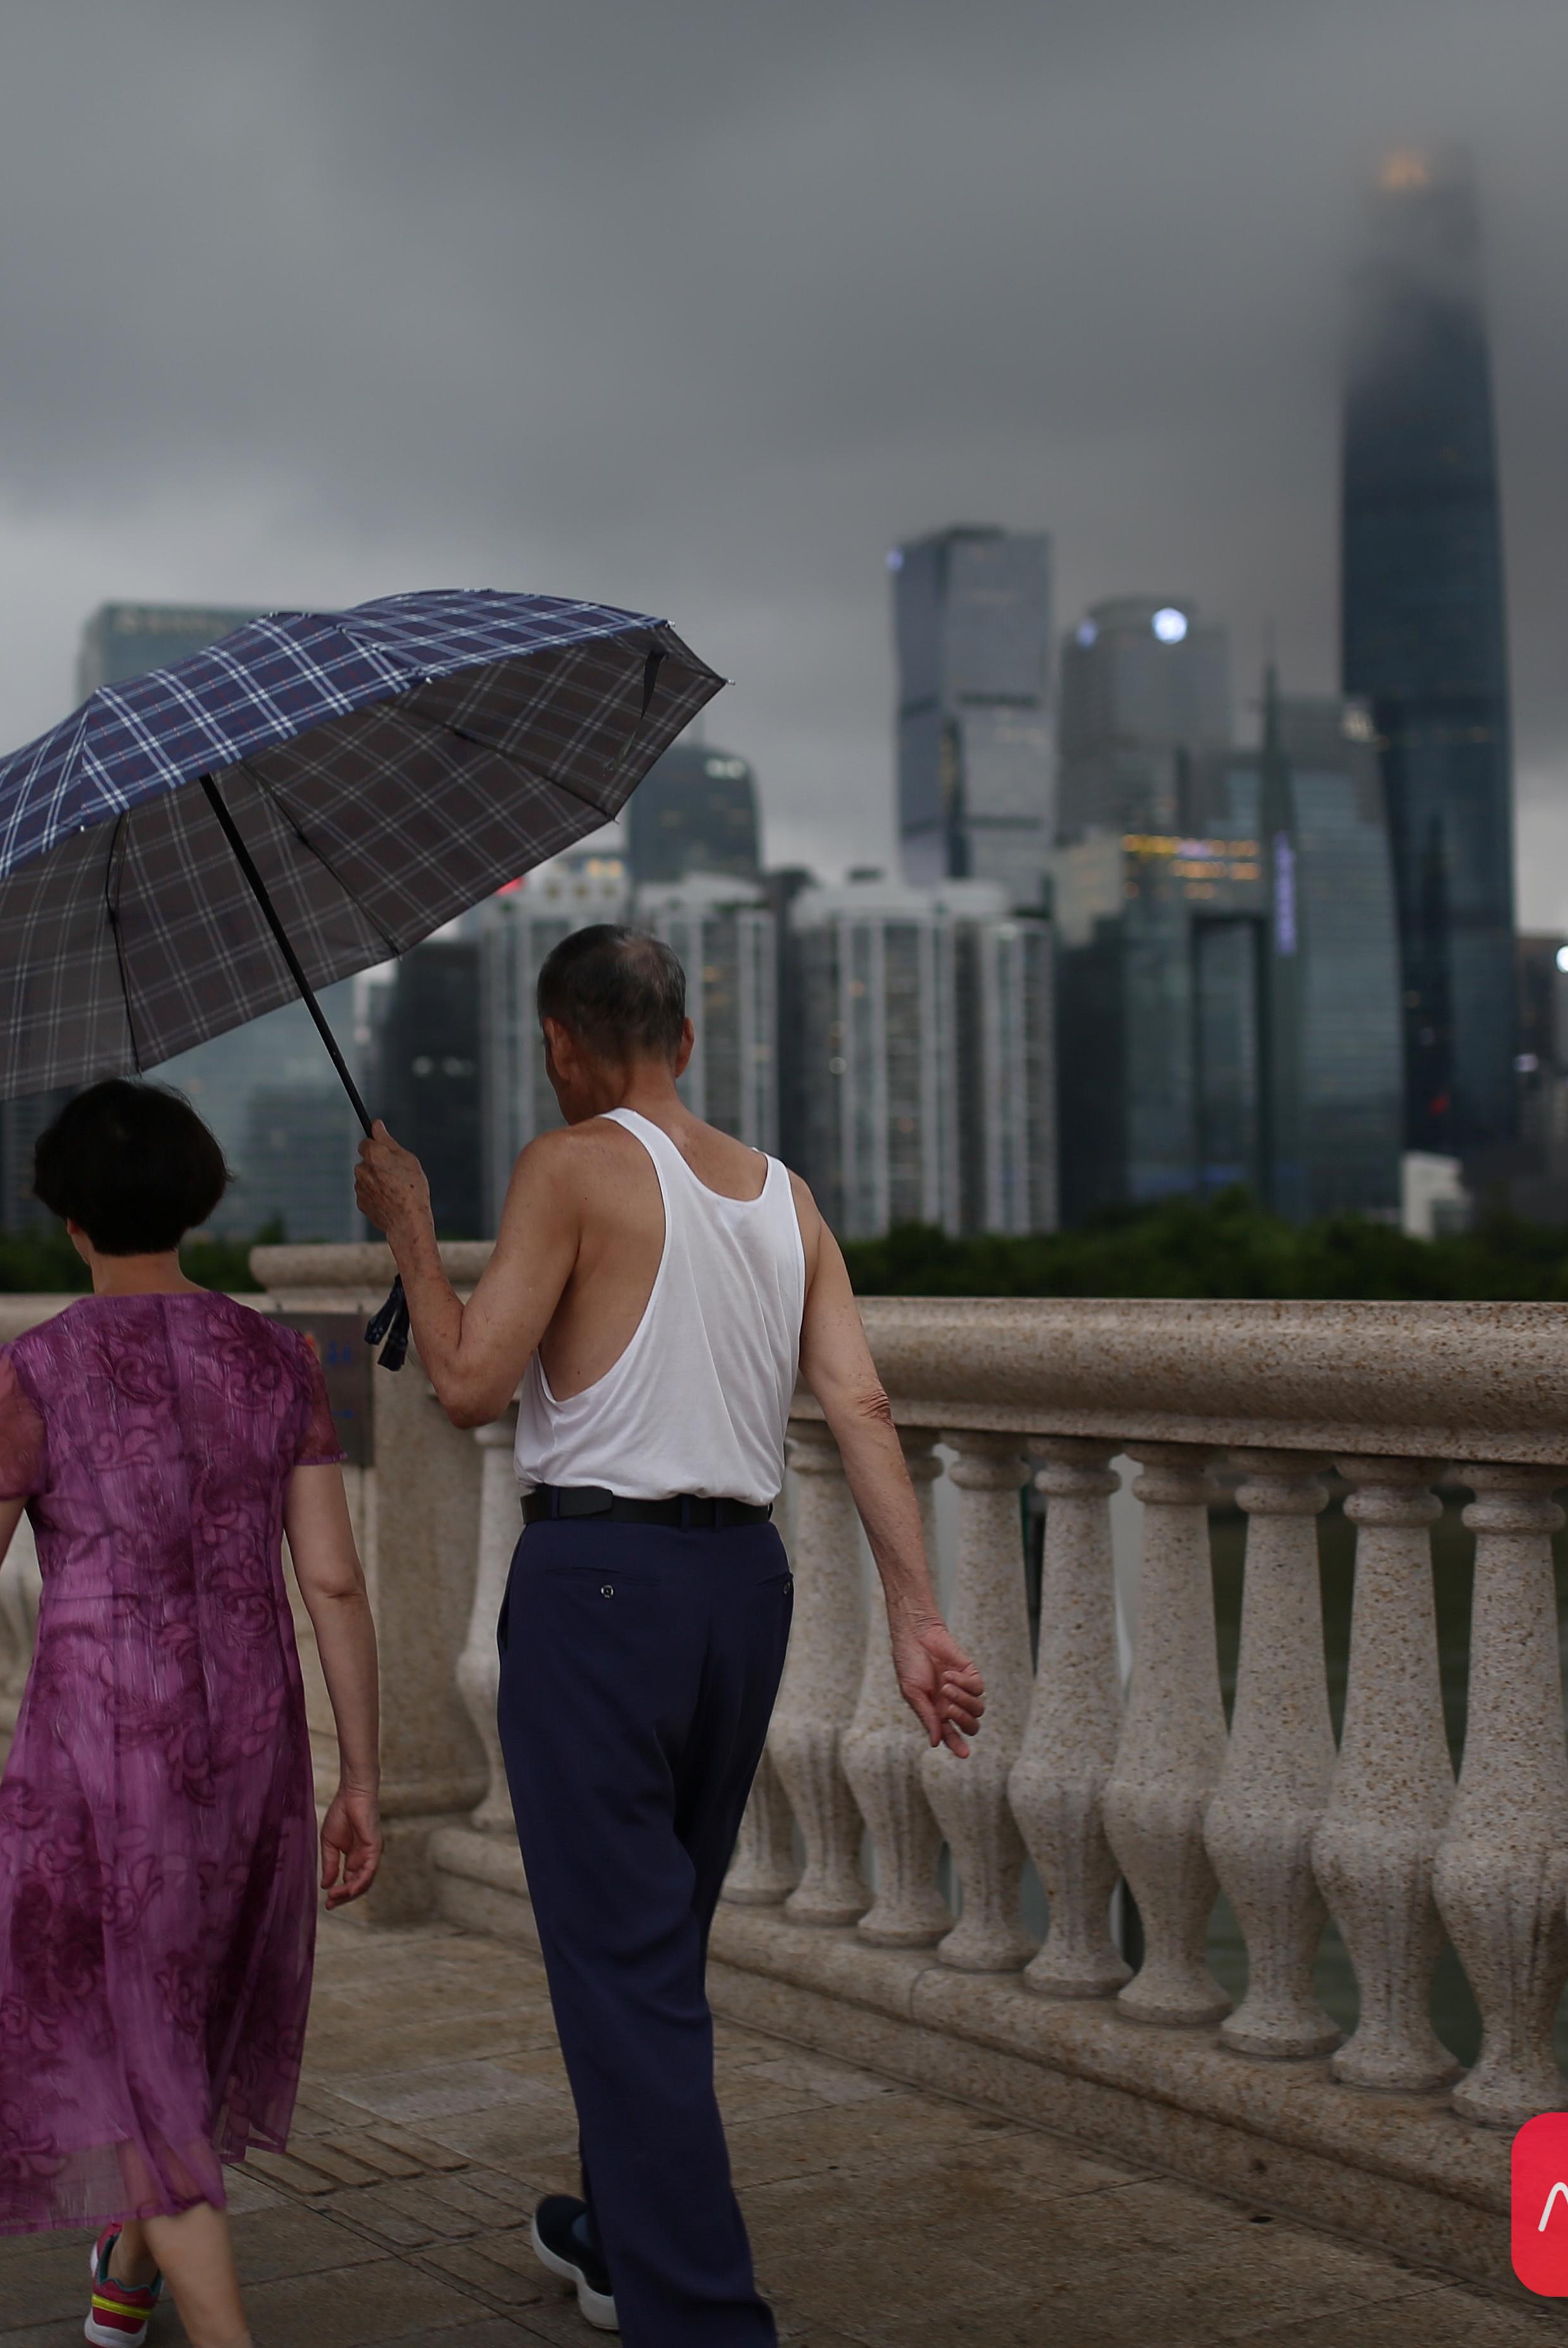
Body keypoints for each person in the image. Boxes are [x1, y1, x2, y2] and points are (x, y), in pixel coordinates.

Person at [354, 924, 983, 2343]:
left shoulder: (567, 1166)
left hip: (600, 1594)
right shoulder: (784, 1196)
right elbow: (862, 1407)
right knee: (655, 1937)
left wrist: (406, 1219)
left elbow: (463, 1381)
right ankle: (620, 2231)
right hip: (739, 1593)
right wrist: (918, 1616)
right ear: (683, 1039)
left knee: (624, 1962)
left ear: (559, 1048)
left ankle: (699, 2313)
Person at [0, 1078, 383, 2348]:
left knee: (146, 2051)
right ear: (198, 1201)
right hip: (252, 1739)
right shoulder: (278, 1358)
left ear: (70, 1222)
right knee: (176, 2023)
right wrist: (360, 1773)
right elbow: (329, 1575)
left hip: (103, 1755)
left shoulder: (37, 1368)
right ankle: (122, 2286)